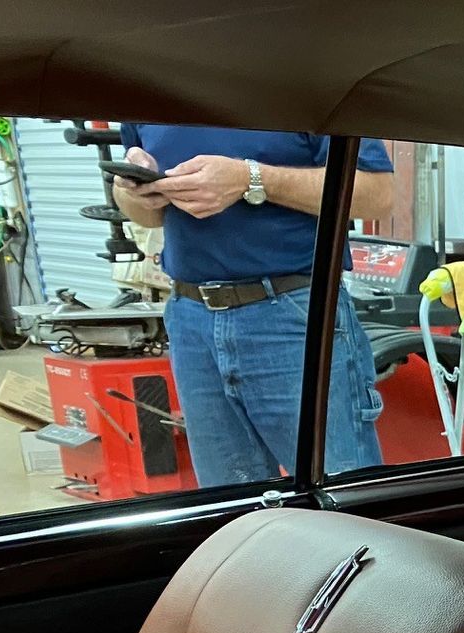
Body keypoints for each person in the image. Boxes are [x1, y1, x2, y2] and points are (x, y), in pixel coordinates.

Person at [111, 127, 395, 488]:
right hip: (191, 320)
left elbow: (377, 196)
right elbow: (148, 217)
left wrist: (250, 178)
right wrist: (132, 190)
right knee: (229, 508)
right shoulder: (149, 86)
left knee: (339, 503)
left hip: (293, 317)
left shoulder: (318, 74)